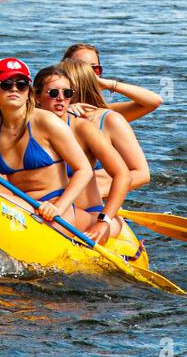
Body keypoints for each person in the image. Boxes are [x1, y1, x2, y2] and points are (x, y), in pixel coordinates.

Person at [0, 58, 96, 232]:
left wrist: (58, 207)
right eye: (6, 84)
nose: (14, 89)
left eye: (21, 85)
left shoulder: (46, 121)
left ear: (28, 92)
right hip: (22, 208)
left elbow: (84, 169)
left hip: (57, 211)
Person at [34, 65, 130, 244]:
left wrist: (104, 222)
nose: (61, 99)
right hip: (48, 209)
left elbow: (122, 174)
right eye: (53, 93)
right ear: (37, 96)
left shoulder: (83, 128)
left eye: (67, 93)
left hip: (88, 215)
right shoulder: (29, 129)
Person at [61, 59, 151, 193]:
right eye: (52, 90)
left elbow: (141, 174)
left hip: (93, 202)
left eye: (64, 90)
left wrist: (86, 191)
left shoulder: (110, 119)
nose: (57, 95)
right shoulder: (47, 116)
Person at [60, 43, 162, 122]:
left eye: (94, 69)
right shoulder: (50, 106)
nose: (88, 74)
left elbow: (154, 101)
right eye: (80, 68)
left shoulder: (104, 113)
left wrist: (108, 84)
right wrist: (66, 110)